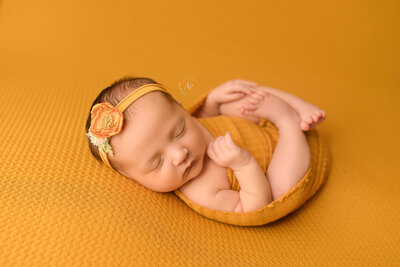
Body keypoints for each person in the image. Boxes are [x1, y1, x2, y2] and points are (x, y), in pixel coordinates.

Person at [85, 77, 326, 212]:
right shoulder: (201, 191)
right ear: (135, 178)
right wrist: (244, 166)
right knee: (280, 189)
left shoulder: (190, 123)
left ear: (181, 109)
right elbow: (253, 206)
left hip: (254, 128)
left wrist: (212, 102)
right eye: (157, 162)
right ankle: (288, 122)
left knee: (235, 98)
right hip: (279, 160)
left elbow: (201, 119)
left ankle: (299, 106)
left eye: (178, 131)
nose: (180, 153)